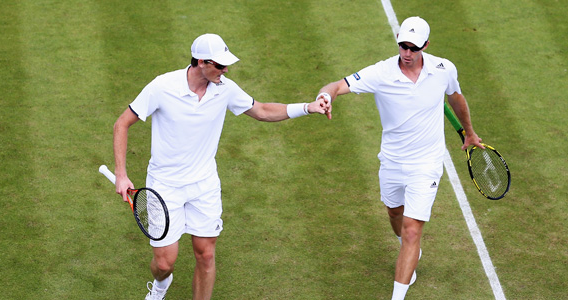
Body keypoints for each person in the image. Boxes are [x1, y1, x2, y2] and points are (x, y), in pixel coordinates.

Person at [112, 33, 330, 300]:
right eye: (219, 65)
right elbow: (122, 124)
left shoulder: (224, 88)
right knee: (164, 264)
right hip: (165, 187)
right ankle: (159, 286)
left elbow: (261, 110)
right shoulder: (162, 87)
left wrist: (307, 107)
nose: (225, 70)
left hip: (204, 185)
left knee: (206, 255)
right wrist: (121, 175)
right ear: (201, 62)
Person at [315, 17, 483, 300]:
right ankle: (407, 248)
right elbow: (338, 85)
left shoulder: (443, 69)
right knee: (394, 213)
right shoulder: (380, 73)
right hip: (392, 161)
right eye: (403, 45)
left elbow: (456, 98)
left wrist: (470, 132)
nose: (407, 53)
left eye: (413, 48)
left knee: (412, 231)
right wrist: (325, 95)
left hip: (427, 163)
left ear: (426, 46)